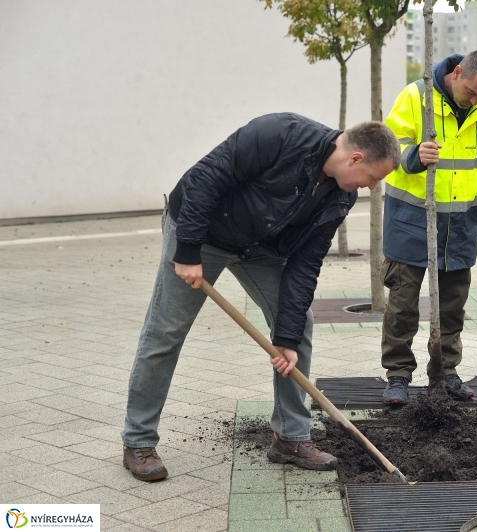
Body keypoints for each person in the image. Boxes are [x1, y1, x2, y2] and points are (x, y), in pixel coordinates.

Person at [121, 113, 400, 481]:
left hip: (260, 247)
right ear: (355, 158)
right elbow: (208, 177)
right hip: (202, 231)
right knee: (166, 331)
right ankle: (138, 441)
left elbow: (305, 263)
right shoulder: (279, 134)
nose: (370, 188)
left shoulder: (340, 195)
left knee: (299, 328)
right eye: (373, 178)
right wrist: (187, 249)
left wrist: (284, 340)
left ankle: (290, 437)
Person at [380, 51, 477, 405]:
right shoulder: (415, 95)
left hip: (460, 224)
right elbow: (391, 145)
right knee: (403, 305)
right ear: (457, 73)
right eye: (471, 92)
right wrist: (415, 155)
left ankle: (447, 372)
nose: (476, 100)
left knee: (452, 306)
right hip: (411, 218)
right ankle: (397, 376)